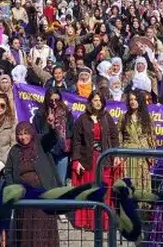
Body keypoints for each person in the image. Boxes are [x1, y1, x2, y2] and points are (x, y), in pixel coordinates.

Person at [3, 121, 61, 247]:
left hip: (43, 194)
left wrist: (51, 127)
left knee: (42, 227)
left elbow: (52, 138)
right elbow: (8, 171)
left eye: (26, 133)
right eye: (19, 134)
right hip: (24, 196)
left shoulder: (40, 145)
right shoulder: (14, 151)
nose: (23, 137)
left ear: (31, 133)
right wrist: (13, 189)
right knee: (26, 227)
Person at [71, 90, 119, 230]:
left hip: (104, 159)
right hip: (88, 160)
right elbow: (76, 141)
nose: (98, 103)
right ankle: (89, 222)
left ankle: (103, 223)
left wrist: (116, 155)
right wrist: (76, 160)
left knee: (104, 190)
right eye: (95, 100)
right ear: (90, 102)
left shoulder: (107, 117)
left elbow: (114, 137)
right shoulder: (82, 119)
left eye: (100, 100)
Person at [118, 90, 156, 194]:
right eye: (130, 99)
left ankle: (142, 203)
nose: (133, 102)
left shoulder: (147, 117)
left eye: (135, 99)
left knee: (143, 182)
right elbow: (119, 136)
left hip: (143, 153)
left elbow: (151, 137)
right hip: (128, 154)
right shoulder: (123, 117)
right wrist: (120, 153)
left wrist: (152, 154)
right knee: (129, 182)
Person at [32, 88, 73, 184]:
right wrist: (50, 126)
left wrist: (70, 150)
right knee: (47, 183)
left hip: (62, 153)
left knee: (60, 182)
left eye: (57, 100)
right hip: (47, 152)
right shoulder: (40, 114)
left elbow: (71, 132)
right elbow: (37, 134)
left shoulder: (67, 113)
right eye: (51, 100)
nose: (54, 103)